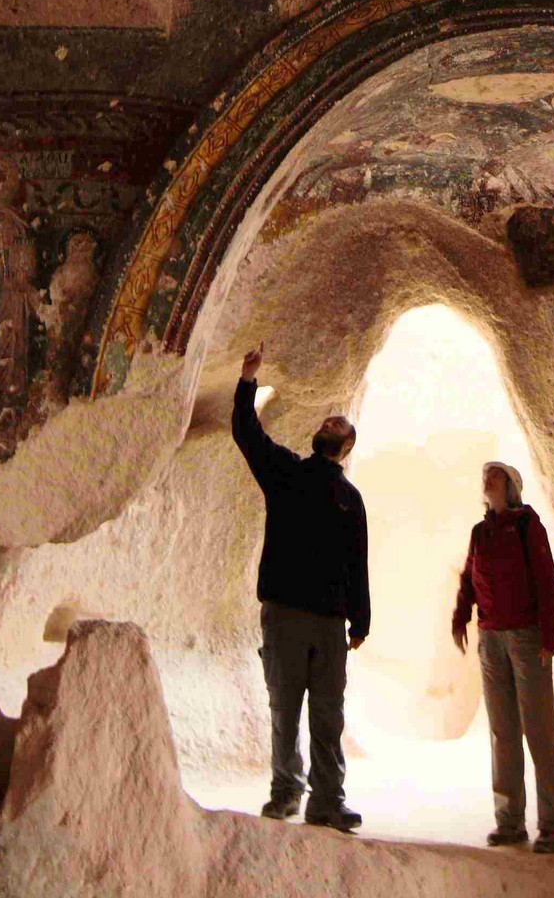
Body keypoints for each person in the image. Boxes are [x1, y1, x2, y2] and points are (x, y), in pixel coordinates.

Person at [233, 347, 370, 832]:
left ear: (346, 446)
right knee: (284, 708)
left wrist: (362, 620)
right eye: (329, 422)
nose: (332, 424)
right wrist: (249, 380)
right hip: (286, 613)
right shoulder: (287, 472)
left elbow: (359, 563)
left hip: (331, 621)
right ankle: (286, 792)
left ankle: (328, 801)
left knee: (328, 715)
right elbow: (248, 435)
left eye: (340, 425)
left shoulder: (351, 500)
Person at [452, 461, 554, 853]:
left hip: (526, 637)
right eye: (485, 475)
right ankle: (510, 822)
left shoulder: (527, 526)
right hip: (491, 638)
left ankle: (549, 825)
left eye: (495, 475)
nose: (487, 479)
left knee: (537, 729)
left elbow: (547, 581)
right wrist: (461, 615)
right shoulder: (481, 532)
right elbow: (469, 577)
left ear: (512, 486)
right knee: (502, 732)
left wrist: (548, 636)